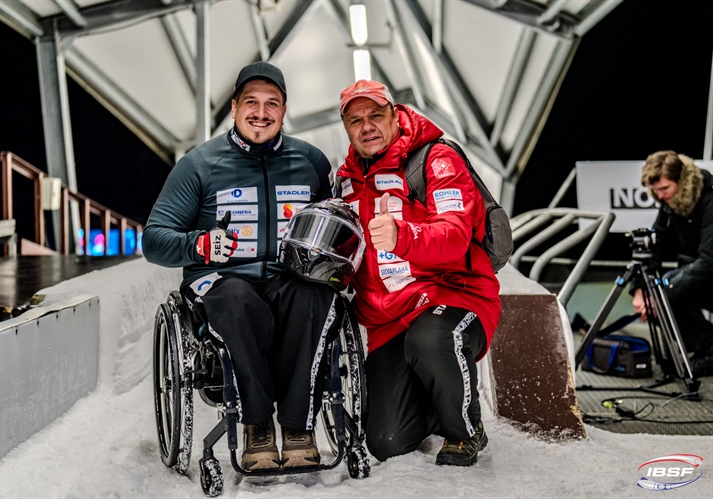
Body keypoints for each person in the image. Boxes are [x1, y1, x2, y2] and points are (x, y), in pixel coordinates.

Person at [143, 61, 337, 470]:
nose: (261, 113)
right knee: (234, 300)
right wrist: (198, 244)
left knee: (316, 293)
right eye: (251, 102)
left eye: (272, 103)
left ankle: (298, 426)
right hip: (224, 280)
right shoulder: (198, 164)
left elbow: (332, 223)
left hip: (288, 277)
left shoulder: (312, 162)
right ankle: (257, 423)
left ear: (284, 111)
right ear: (234, 107)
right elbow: (154, 240)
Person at [335, 80, 501, 466]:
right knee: (387, 442)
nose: (367, 126)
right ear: (347, 129)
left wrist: (402, 236)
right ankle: (438, 402)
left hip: (454, 296)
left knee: (431, 338)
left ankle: (464, 430)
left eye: (376, 115)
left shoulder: (436, 159)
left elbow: (455, 235)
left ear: (395, 115)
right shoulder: (344, 181)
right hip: (389, 320)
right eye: (355, 120)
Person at [631, 150, 713, 375]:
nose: (660, 195)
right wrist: (640, 289)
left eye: (665, 188)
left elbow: (709, 261)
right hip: (702, 272)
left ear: (681, 180)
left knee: (666, 288)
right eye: (655, 190)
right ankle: (705, 348)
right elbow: (654, 248)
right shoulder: (670, 201)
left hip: (708, 270)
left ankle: (708, 349)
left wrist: (662, 294)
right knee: (659, 289)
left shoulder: (709, 199)